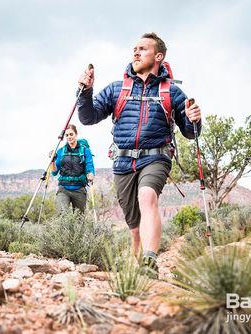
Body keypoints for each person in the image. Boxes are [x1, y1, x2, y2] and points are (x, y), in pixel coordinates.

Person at [77, 32, 202, 278]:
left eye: (143, 49)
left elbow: (190, 133)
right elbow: (88, 117)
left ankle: (149, 261)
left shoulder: (172, 92)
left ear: (158, 56)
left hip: (156, 157)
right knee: (134, 227)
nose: (136, 52)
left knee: (147, 197)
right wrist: (85, 92)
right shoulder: (117, 89)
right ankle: (137, 266)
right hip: (122, 160)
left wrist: (194, 119)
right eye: (134, 48)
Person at [50, 124, 95, 214]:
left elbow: (89, 166)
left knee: (79, 220)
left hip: (79, 189)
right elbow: (54, 172)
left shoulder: (85, 150)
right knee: (62, 215)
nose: (69, 137)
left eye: (71, 134)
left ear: (76, 134)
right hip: (63, 188)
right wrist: (52, 161)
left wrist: (90, 174)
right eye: (67, 135)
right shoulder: (61, 151)